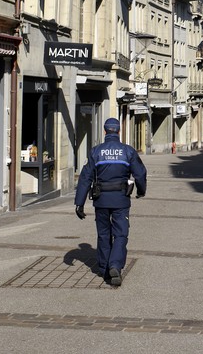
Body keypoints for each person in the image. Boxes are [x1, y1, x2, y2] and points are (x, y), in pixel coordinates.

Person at [75, 117, 147, 287]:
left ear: (105, 131)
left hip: (101, 199)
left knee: (103, 234)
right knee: (121, 234)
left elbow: (85, 177)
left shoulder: (96, 151)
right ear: (118, 131)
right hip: (121, 199)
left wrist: (79, 202)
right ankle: (115, 265)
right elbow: (140, 173)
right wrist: (141, 191)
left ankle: (104, 267)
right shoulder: (128, 151)